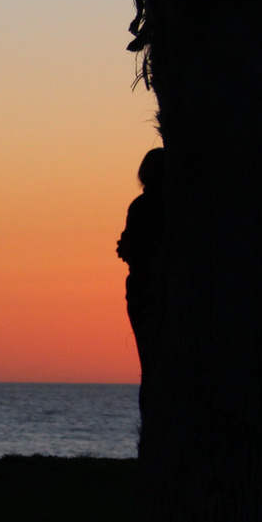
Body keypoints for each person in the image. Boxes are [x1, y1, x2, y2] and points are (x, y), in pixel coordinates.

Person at [117, 146, 165, 395]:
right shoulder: (158, 206)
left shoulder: (141, 205)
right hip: (151, 286)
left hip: (141, 286)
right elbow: (128, 246)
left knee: (151, 366)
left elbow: (126, 247)